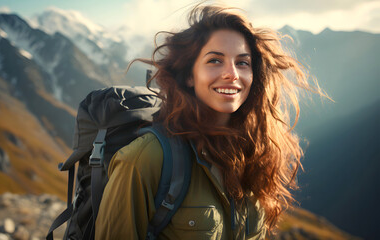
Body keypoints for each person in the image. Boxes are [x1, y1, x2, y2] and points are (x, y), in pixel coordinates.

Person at [95, 4, 323, 240]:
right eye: (215, 60)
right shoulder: (146, 159)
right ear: (188, 76)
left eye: (242, 62)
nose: (232, 74)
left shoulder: (254, 156)